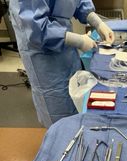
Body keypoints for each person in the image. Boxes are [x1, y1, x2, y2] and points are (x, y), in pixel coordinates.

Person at [9, 0, 114, 128]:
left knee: (74, 97)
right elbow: (35, 28)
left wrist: (96, 21)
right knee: (57, 111)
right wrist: (78, 40)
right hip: (43, 53)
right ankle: (58, 141)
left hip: (65, 46)